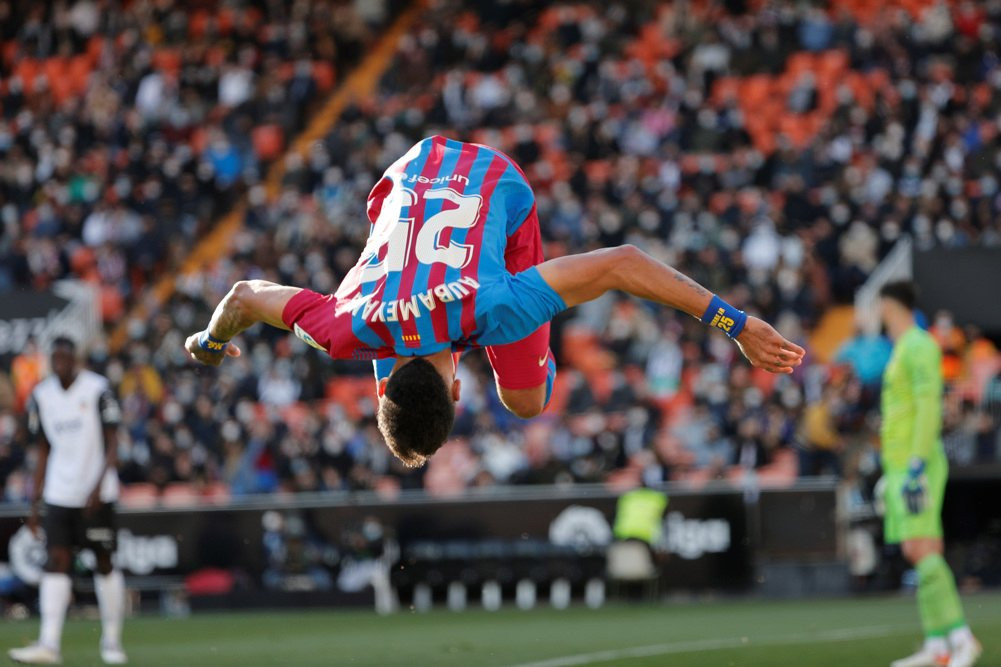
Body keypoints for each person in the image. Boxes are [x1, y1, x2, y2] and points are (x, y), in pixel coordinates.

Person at [185, 135, 804, 466]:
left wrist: (736, 324)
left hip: (497, 187)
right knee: (379, 326)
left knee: (526, 402)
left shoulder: (496, 307)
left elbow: (623, 263)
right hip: (410, 165)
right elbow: (244, 295)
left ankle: (504, 333)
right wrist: (209, 341)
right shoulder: (335, 331)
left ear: (457, 390)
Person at [878, 282, 980, 667]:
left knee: (921, 548)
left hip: (914, 462)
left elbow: (928, 404)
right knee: (916, 549)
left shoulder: (918, 345)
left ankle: (961, 638)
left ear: (889, 306)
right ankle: (938, 646)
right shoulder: (904, 347)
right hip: (901, 462)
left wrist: (916, 464)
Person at [8, 337, 128, 665]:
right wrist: (35, 503)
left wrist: (99, 484)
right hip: (60, 492)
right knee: (55, 562)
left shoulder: (97, 389)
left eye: (66, 355)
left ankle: (112, 641)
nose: (60, 361)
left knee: (103, 561)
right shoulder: (43, 395)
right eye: (56, 356)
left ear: (75, 358)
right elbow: (43, 449)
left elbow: (113, 442)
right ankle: (49, 643)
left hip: (96, 493)